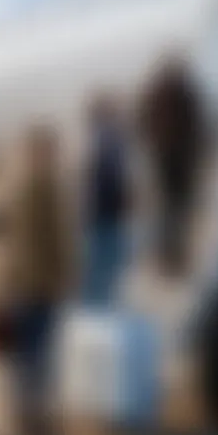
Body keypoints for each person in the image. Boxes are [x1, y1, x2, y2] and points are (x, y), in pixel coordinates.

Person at [6, 125, 73, 435]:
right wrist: (64, 276)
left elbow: (9, 238)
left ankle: (23, 416)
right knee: (38, 353)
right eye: (49, 150)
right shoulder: (45, 187)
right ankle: (34, 419)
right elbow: (56, 240)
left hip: (20, 281)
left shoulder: (18, 187)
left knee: (25, 353)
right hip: (39, 283)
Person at [138, 57, 205, 280]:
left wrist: (152, 144)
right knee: (177, 211)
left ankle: (168, 259)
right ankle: (172, 259)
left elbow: (142, 123)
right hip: (178, 161)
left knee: (171, 210)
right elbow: (198, 129)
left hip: (170, 159)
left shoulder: (159, 94)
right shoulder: (184, 95)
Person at [81, 94, 132, 306]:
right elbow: (109, 179)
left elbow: (100, 180)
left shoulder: (102, 140)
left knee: (102, 262)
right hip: (107, 211)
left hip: (103, 211)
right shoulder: (109, 140)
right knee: (107, 261)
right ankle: (100, 302)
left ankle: (98, 301)